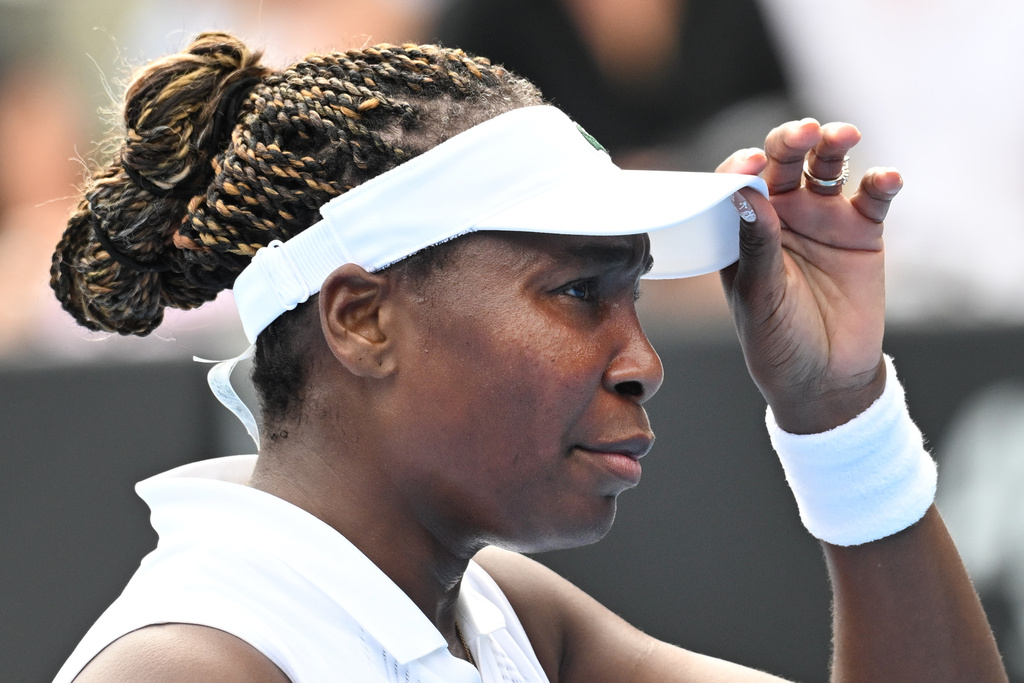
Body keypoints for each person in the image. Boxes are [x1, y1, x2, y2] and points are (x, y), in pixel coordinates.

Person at [50, 32, 1006, 682]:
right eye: (579, 292)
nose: (641, 360)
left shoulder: (504, 614)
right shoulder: (185, 666)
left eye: (631, 294)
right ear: (363, 319)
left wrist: (837, 407)